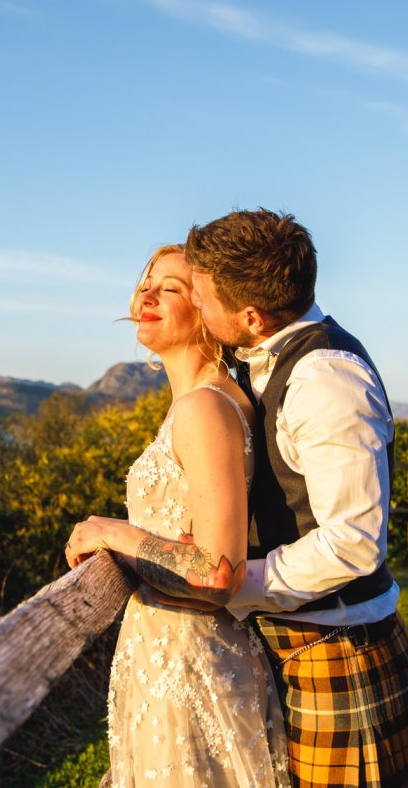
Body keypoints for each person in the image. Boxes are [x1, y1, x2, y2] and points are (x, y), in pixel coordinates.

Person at [183, 209, 408, 788]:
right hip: (296, 644)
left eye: (202, 297)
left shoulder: (326, 379)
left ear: (252, 316)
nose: (196, 306)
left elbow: (352, 544)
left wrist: (233, 582)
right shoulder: (262, 359)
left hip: (340, 651)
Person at [65, 244, 290, 787]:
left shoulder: (205, 407)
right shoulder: (199, 401)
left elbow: (216, 573)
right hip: (167, 654)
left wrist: (112, 532)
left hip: (191, 662)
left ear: (208, 310)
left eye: (169, 288)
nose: (146, 296)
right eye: (146, 283)